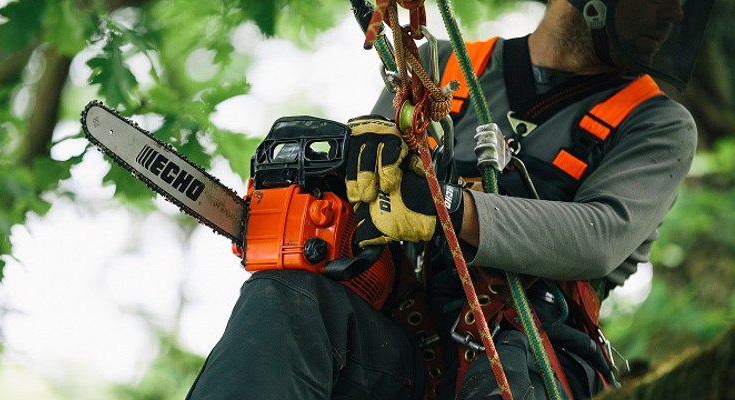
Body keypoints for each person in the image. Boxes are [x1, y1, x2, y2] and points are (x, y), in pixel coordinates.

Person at [185, 0, 713, 398]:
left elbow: (599, 237)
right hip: (403, 340)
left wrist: (451, 207)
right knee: (284, 299)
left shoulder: (657, 122)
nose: (679, 11)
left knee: (505, 367)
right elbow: (374, 209)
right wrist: (344, 187)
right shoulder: (439, 67)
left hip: (533, 351)